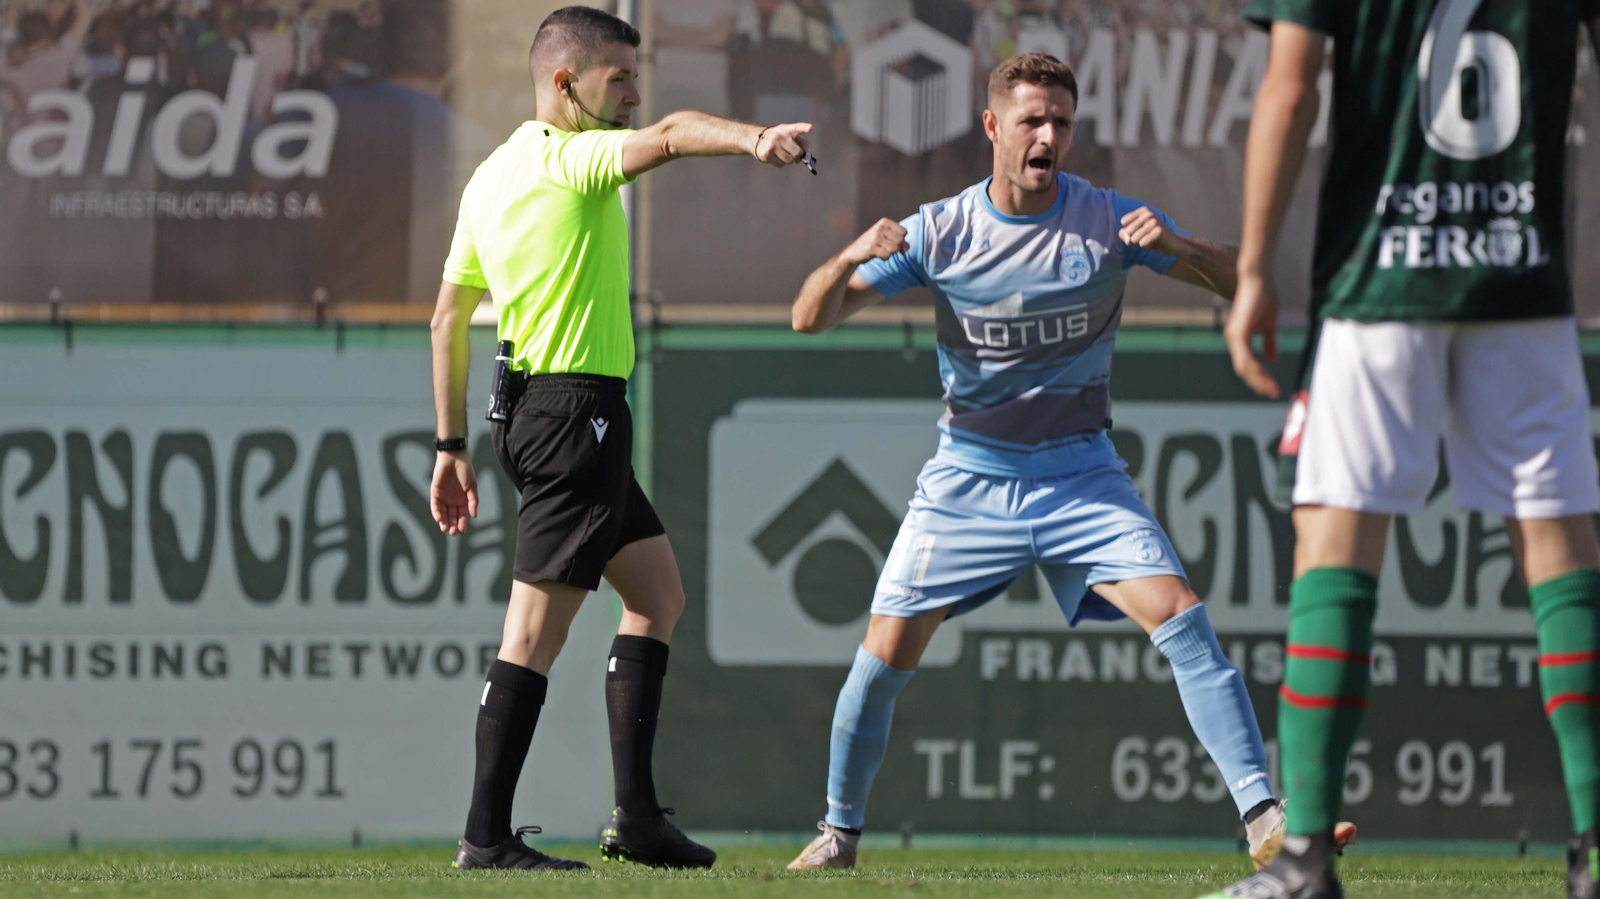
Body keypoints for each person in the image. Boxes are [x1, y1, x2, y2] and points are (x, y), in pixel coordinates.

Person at [783, 51, 1352, 872]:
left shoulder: (1110, 219)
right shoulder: (940, 230)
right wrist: (845, 257)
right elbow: (809, 319)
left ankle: (1266, 823)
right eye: (1032, 120)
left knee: (1183, 619)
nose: (1048, 136)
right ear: (992, 127)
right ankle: (838, 835)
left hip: (1081, 473)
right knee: (881, 657)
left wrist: (1180, 243)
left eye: (1061, 122)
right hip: (968, 477)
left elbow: (1243, 283)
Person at [1205, 3, 1600, 899]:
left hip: (1380, 280)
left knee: (1335, 548)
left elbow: (1290, 85)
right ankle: (1594, 848)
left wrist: (1257, 267)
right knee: (1562, 556)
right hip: (1522, 277)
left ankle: (1305, 858)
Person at [428, 4, 814, 873]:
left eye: (636, 78)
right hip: (575, 414)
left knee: (656, 594)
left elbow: (448, 317)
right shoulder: (575, 161)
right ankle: (485, 836)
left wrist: (451, 444)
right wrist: (756, 141)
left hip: (533, 413)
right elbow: (675, 136)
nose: (636, 96)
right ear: (566, 85)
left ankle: (636, 818)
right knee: (533, 632)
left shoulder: (488, 177)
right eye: (620, 79)